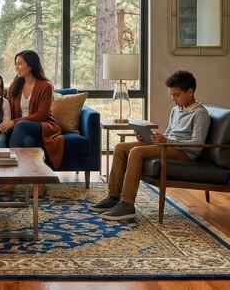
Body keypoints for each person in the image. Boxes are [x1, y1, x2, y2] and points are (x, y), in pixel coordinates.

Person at [90, 70, 211, 221]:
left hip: (184, 153)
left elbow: (197, 145)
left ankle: (127, 204)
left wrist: (166, 141)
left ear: (190, 92)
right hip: (168, 147)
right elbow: (168, 134)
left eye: (176, 95)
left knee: (136, 152)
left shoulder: (200, 114)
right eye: (171, 95)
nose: (173, 99)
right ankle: (113, 197)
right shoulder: (176, 110)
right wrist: (148, 139)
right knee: (121, 148)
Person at [0, 50, 64, 195]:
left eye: (19, 64)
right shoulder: (16, 83)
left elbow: (41, 115)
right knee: (27, 141)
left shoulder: (45, 85)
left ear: (30, 66)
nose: (17, 67)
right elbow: (6, 105)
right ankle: (39, 182)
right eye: (16, 64)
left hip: (42, 125)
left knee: (21, 126)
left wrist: (14, 122)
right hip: (21, 130)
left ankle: (12, 179)